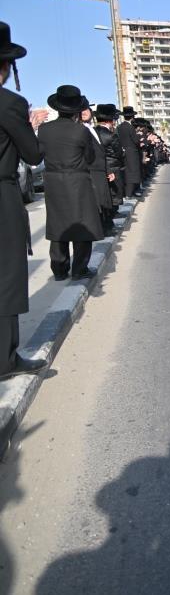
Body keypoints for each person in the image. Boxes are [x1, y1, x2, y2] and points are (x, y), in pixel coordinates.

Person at [0, 21, 47, 378]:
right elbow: (32, 155)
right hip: (2, 198)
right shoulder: (9, 103)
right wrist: (33, 126)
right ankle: (5, 359)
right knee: (7, 276)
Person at [38, 85, 103, 280]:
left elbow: (39, 155)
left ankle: (59, 269)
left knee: (58, 223)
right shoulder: (81, 131)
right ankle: (79, 268)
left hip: (53, 181)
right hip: (77, 180)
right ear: (76, 110)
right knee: (82, 223)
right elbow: (90, 157)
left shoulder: (44, 129)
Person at [80, 101, 115, 237]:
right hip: (91, 170)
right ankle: (101, 230)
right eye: (81, 110)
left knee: (104, 200)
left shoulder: (92, 129)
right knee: (98, 202)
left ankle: (106, 227)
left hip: (101, 169)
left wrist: (108, 170)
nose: (84, 112)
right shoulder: (80, 129)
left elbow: (101, 151)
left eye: (86, 109)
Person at [95, 104, 125, 218]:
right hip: (113, 166)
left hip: (98, 167)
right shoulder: (111, 135)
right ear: (110, 120)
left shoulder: (92, 132)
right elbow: (118, 153)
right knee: (114, 193)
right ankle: (113, 214)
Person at [118, 105, 143, 197]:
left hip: (123, 150)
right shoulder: (130, 127)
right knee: (133, 172)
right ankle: (131, 192)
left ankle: (127, 193)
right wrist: (138, 136)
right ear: (132, 117)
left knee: (127, 172)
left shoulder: (120, 126)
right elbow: (135, 140)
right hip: (132, 152)